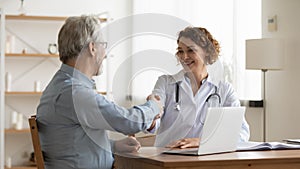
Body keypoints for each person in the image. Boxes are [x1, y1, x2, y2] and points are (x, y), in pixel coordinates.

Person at [36, 15, 162, 169]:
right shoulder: (75, 93)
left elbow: (71, 143)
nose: (106, 53)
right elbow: (129, 122)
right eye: (104, 45)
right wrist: (154, 106)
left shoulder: (60, 86)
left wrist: (113, 146)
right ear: (92, 47)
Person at [149, 27, 250, 148]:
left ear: (207, 51)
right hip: (167, 158)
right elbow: (153, 121)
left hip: (205, 160)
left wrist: (202, 141)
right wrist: (151, 117)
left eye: (191, 50)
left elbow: (241, 132)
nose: (184, 57)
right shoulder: (165, 83)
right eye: (180, 51)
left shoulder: (224, 90)